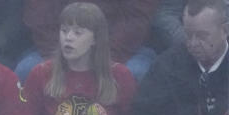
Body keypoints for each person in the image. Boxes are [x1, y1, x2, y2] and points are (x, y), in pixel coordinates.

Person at [21, 2, 158, 115]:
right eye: (64, 30)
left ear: (95, 39)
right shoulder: (40, 74)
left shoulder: (120, 75)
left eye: (78, 32)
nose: (68, 38)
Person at [126, 0, 228, 115]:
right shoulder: (166, 67)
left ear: (225, 31)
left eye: (202, 36)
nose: (193, 43)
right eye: (188, 34)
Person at [15, 0, 159, 82]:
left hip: (121, 49)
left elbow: (136, 21)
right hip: (59, 46)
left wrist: (103, 59)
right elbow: (40, 18)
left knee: (136, 73)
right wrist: (65, 56)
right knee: (26, 70)